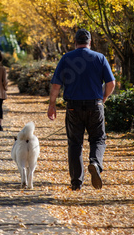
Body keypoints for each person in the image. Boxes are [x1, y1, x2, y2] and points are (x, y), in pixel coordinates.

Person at [48, 29, 115, 191]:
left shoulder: (66, 58)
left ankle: (76, 182)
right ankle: (95, 163)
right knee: (98, 139)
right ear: (90, 42)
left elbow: (56, 85)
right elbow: (111, 83)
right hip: (95, 105)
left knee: (75, 144)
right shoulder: (100, 58)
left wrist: (52, 105)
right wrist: (103, 99)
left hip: (73, 107)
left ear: (75, 42)